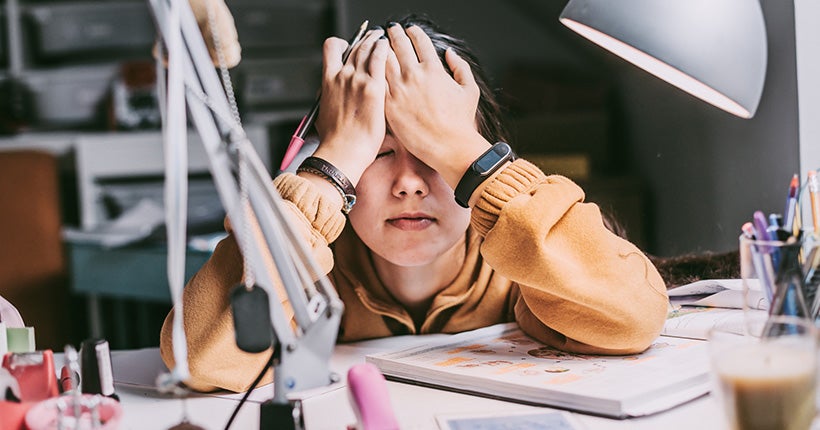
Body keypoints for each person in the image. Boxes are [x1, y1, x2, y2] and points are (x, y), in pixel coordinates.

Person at [159, 15, 669, 393]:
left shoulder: (525, 259)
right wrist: (329, 165)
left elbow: (634, 319)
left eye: (435, 156)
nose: (408, 184)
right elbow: (205, 359)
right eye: (377, 153)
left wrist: (470, 156)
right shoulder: (309, 270)